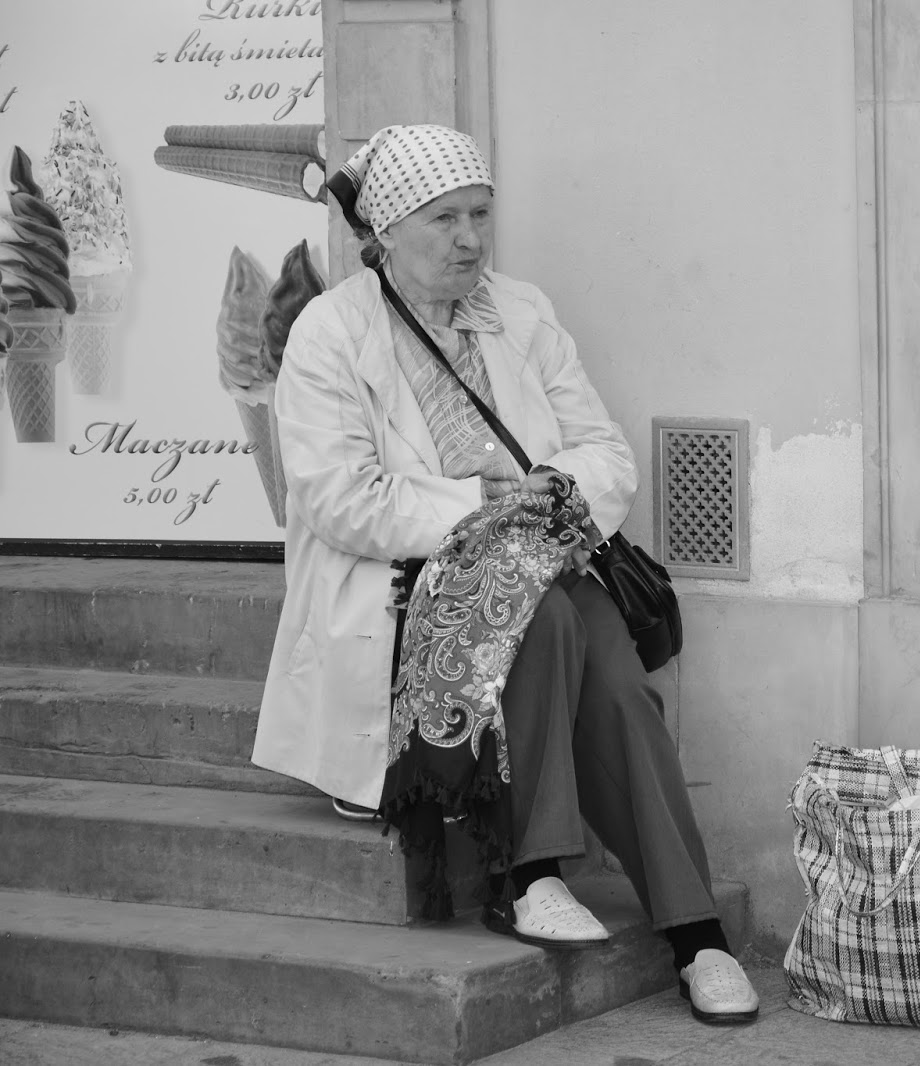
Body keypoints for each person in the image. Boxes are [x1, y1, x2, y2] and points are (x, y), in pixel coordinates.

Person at [250, 124, 758, 1024]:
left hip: (540, 553)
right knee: (550, 622)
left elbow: (603, 452)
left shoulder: (521, 311)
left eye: (481, 214)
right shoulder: (331, 332)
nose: (471, 239)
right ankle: (532, 870)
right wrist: (480, 512)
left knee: (620, 690)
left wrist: (552, 495)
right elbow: (338, 498)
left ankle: (696, 933)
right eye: (444, 219)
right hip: (411, 582)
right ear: (388, 231)